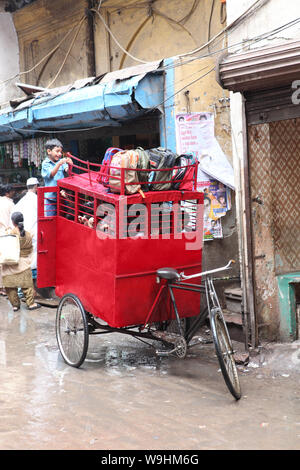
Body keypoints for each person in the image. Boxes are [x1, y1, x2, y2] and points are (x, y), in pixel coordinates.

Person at [1, 212, 40, 311]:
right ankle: (31, 304)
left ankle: (15, 305)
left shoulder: (9, 234)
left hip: (9, 265)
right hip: (23, 264)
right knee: (27, 286)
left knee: (10, 287)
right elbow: (30, 249)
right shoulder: (28, 234)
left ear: (13, 222)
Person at [15, 177, 39, 283]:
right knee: (34, 258)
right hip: (35, 232)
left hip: (23, 232)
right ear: (36, 187)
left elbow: (14, 215)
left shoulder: (22, 201)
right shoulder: (37, 200)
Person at [41, 139, 73, 216]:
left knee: (63, 218)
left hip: (61, 196)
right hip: (50, 198)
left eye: (60, 152)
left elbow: (68, 172)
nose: (59, 154)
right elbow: (51, 174)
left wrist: (70, 165)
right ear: (49, 151)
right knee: (50, 219)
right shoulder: (46, 163)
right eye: (57, 151)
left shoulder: (61, 161)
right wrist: (59, 164)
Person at [0, 184, 15, 296]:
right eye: (12, 191)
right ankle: (3, 287)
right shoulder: (10, 204)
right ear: (7, 193)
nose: (13, 193)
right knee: (4, 262)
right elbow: (13, 221)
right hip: (5, 234)